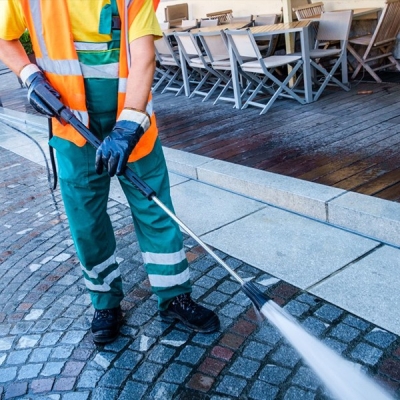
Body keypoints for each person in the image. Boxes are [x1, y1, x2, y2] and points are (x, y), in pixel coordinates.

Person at [0, 0, 220, 344]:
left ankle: (175, 295)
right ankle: (105, 304)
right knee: (87, 221)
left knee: (155, 211)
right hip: (72, 128)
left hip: (131, 121)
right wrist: (29, 75)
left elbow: (144, 56)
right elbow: (4, 38)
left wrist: (128, 127)